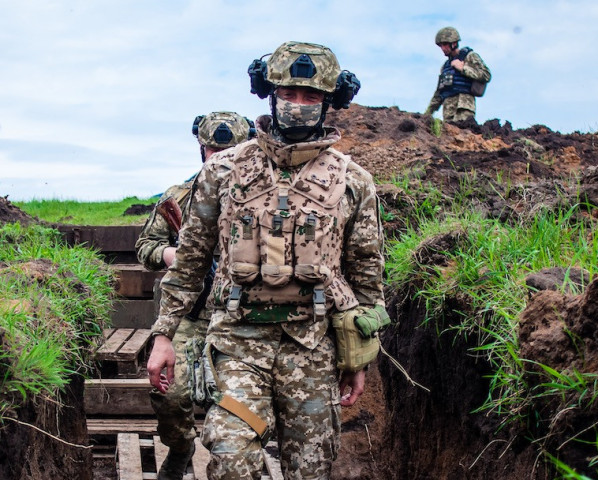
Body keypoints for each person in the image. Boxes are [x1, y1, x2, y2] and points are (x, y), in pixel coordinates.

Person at [146, 41, 388, 479]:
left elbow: (367, 271)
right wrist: (164, 336)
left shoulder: (354, 180)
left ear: (329, 102)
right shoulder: (222, 171)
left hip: (313, 350)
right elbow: (190, 263)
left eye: (311, 96)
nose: (298, 105)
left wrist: (360, 359)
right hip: (238, 345)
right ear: (269, 93)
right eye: (289, 94)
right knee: (232, 461)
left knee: (311, 470)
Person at [136, 111, 252, 480]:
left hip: (241, 317)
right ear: (201, 149)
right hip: (188, 312)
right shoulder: (179, 197)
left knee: (243, 401)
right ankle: (182, 445)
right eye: (213, 150)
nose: (220, 157)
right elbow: (146, 247)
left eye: (230, 150)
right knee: (168, 395)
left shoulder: (263, 197)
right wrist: (174, 254)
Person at [425, 26, 491, 123]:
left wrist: (463, 68)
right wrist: (427, 113)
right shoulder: (445, 67)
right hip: (448, 110)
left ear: (454, 43)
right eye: (440, 46)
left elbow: (486, 75)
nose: (443, 48)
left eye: (445, 44)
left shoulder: (469, 56)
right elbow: (439, 91)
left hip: (463, 105)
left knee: (463, 133)